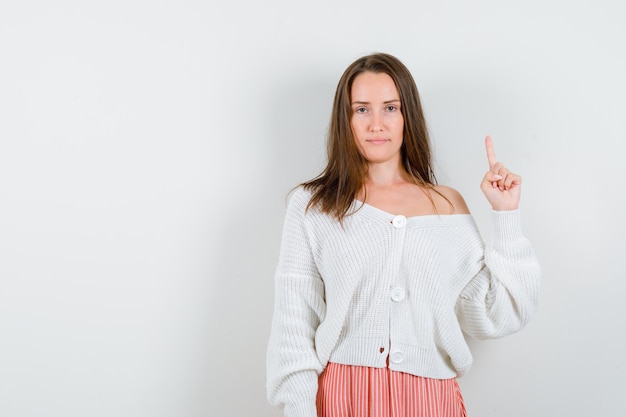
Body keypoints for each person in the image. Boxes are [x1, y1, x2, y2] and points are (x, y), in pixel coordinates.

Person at [266, 52, 541, 417]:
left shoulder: (446, 204)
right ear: (344, 119)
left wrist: (505, 216)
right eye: (361, 109)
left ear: (407, 115)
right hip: (342, 397)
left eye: (390, 108)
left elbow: (498, 315)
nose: (376, 124)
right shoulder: (313, 205)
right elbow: (293, 324)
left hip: (430, 399)